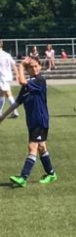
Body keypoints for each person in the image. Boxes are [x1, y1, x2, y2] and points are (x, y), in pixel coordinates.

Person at [0, 55, 57, 187]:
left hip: (40, 120)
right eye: (31, 67)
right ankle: (51, 174)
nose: (34, 69)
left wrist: (21, 65)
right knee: (41, 147)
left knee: (33, 147)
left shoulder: (40, 80)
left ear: (40, 67)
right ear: (28, 70)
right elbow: (17, 102)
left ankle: (23, 177)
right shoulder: (27, 86)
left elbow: (21, 81)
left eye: (36, 66)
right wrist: (3, 116)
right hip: (32, 120)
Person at [0, 40, 19, 119]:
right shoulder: (7, 54)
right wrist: (17, 74)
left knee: (6, 94)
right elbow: (13, 64)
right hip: (7, 77)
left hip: (2, 77)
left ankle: (14, 111)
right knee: (4, 94)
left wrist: (17, 74)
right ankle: (13, 111)